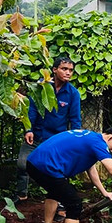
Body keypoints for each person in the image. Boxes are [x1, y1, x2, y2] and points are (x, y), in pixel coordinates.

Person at [17, 57, 82, 202]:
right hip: (36, 135)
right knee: (22, 164)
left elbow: (75, 120)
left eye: (71, 70)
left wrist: (74, 141)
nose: (68, 73)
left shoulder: (73, 94)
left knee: (59, 171)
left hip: (56, 139)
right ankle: (21, 195)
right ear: (54, 70)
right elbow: (31, 110)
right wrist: (28, 129)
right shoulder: (40, 87)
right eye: (64, 69)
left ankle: (60, 201)